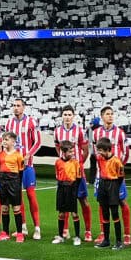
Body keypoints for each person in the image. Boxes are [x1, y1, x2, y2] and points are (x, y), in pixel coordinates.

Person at [49, 105, 91, 246]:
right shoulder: (57, 131)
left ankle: (87, 231)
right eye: (65, 114)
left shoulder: (79, 131)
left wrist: (78, 164)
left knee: (82, 201)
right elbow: (57, 147)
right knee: (64, 202)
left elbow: (85, 150)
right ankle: (64, 231)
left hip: (77, 171)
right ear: (62, 116)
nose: (67, 117)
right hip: (64, 172)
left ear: (73, 116)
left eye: (69, 114)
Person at [7, 100, 44, 240]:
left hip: (27, 165)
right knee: (18, 197)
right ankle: (23, 226)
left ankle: (37, 228)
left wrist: (29, 154)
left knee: (31, 195)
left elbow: (38, 141)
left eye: (18, 106)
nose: (16, 108)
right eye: (14, 106)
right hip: (13, 166)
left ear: (23, 108)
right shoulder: (9, 123)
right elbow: (7, 142)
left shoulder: (31, 122)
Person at [95, 137, 128, 250]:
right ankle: (106, 240)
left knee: (114, 213)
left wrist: (115, 189)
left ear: (107, 149)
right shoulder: (100, 159)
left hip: (113, 184)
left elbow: (120, 177)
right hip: (103, 184)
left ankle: (119, 241)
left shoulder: (117, 161)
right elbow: (100, 170)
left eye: (100, 150)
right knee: (104, 213)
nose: (99, 153)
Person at [52, 142, 87, 246]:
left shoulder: (75, 163)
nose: (72, 153)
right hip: (61, 188)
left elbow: (79, 177)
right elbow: (57, 175)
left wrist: (74, 190)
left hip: (72, 188)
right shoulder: (58, 162)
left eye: (73, 151)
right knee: (61, 213)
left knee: (74, 213)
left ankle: (77, 237)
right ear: (64, 152)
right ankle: (60, 236)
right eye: (70, 151)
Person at [0, 131, 27, 241]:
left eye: (6, 139)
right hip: (3, 182)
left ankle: (19, 233)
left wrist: (18, 186)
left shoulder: (18, 156)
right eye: (3, 139)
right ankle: (5, 232)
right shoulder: (1, 155)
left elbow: (21, 172)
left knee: (16, 208)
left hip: (14, 183)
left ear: (13, 142)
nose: (4, 141)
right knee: (4, 208)